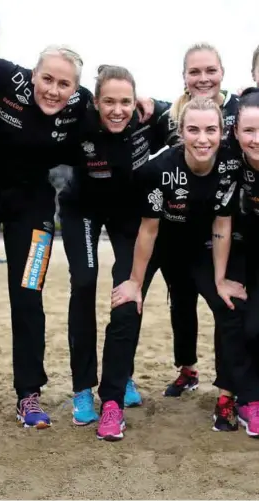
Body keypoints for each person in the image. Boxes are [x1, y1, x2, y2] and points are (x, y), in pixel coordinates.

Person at [0, 45, 94, 431]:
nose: (54, 90)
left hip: (33, 207)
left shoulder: (81, 107)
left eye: (64, 84)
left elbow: (114, 112)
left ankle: (29, 394)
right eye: (47, 79)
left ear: (75, 88)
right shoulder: (5, 75)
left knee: (28, 297)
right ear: (33, 73)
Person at [112, 96, 259, 439]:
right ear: (180, 132)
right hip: (160, 242)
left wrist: (221, 279)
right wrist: (135, 281)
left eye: (211, 130)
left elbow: (223, 221)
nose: (203, 138)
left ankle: (238, 397)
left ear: (224, 133)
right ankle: (113, 400)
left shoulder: (230, 163)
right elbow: (148, 229)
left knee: (230, 306)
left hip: (201, 247)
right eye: (193, 129)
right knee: (131, 306)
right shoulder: (157, 169)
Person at [57, 65, 171, 428]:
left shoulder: (147, 120)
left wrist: (155, 102)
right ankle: (81, 388)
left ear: (136, 103)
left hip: (127, 215)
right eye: (109, 101)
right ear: (96, 101)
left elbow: (187, 110)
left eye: (125, 101)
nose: (118, 110)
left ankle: (120, 376)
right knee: (85, 282)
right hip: (82, 211)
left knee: (129, 290)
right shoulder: (80, 120)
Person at [151, 43, 242, 397]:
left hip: (225, 226)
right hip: (177, 228)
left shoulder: (242, 106)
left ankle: (228, 387)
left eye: (210, 71)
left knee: (225, 304)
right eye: (195, 72)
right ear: (184, 77)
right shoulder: (170, 116)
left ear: (222, 73)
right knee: (182, 302)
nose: (203, 78)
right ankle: (187, 369)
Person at [231, 87, 259, 437]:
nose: (256, 139)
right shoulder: (228, 160)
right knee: (246, 327)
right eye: (249, 130)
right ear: (235, 132)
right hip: (240, 251)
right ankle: (247, 399)